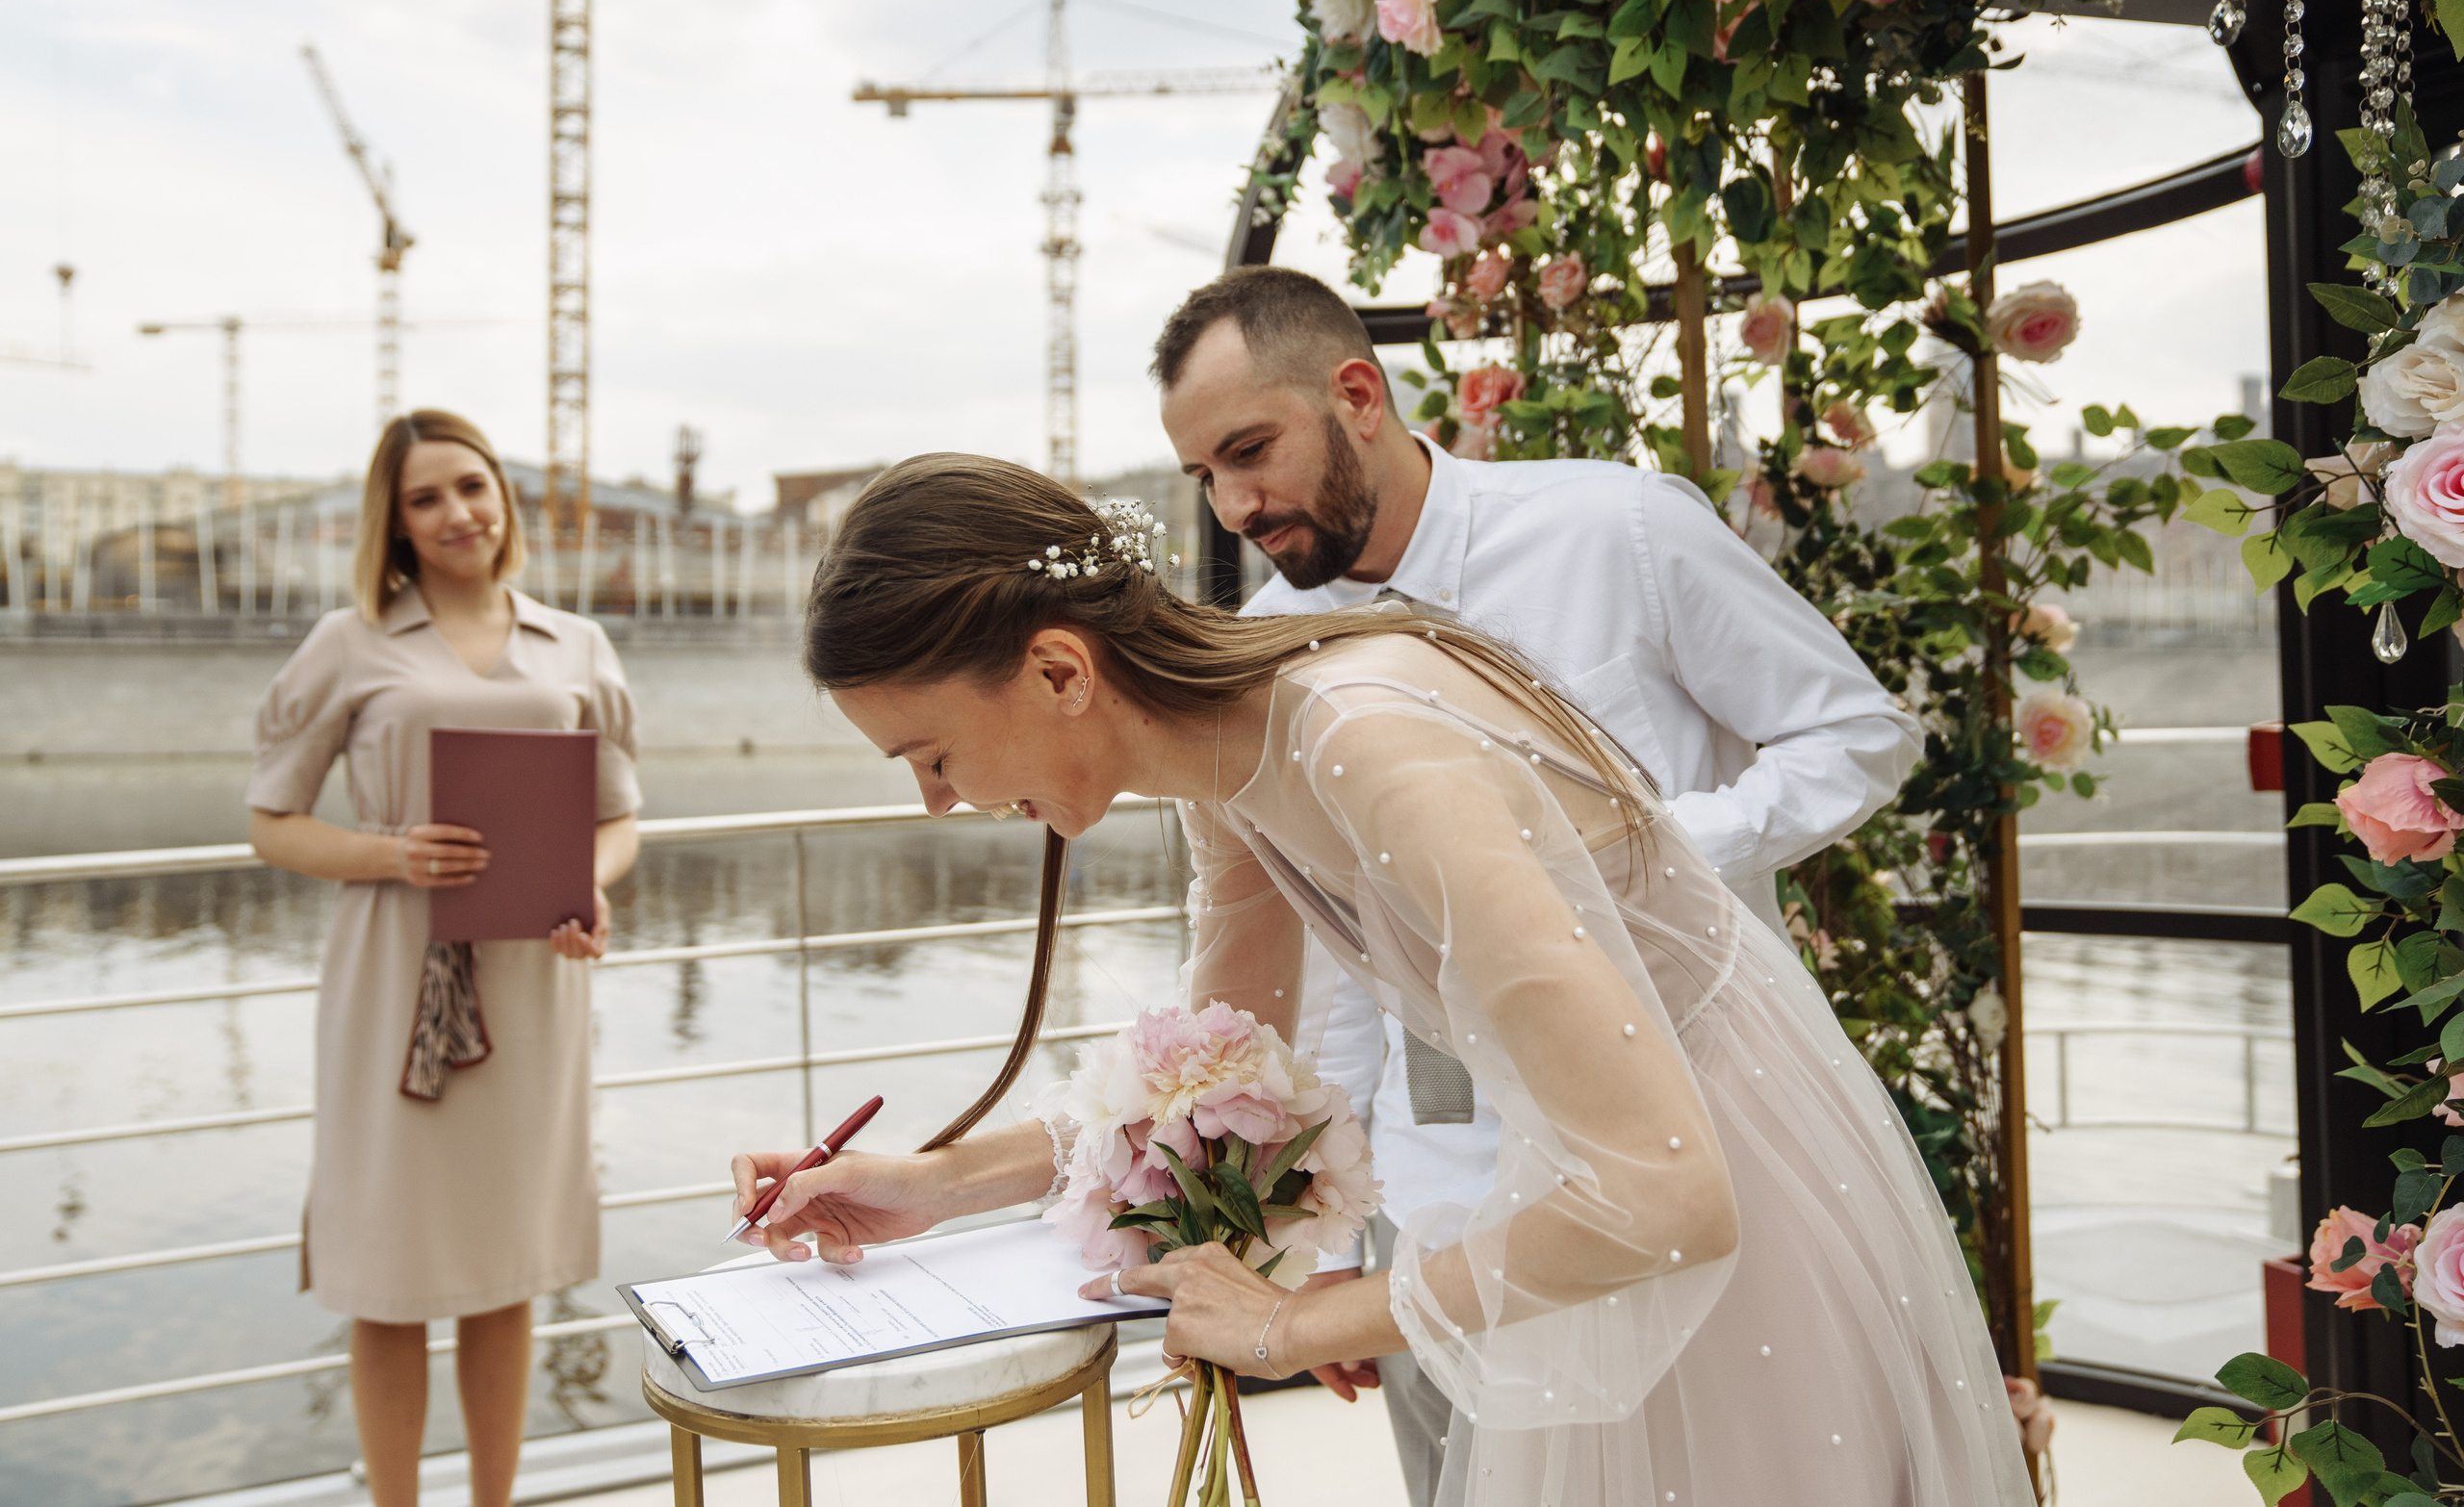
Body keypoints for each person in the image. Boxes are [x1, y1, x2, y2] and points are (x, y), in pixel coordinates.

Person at [728, 453, 2032, 1506]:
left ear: (1059, 670)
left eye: (934, 754)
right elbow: (1227, 1084)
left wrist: (1297, 1322)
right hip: (1596, 1167)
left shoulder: (1371, 746)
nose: (943, 801)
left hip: (1725, 1188)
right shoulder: (1234, 758)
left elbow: (1668, 1193)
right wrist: (933, 1186)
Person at [1152, 265, 1929, 1496]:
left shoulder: (1618, 529)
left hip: (1677, 1149)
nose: (1235, 504)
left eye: (1250, 451)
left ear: (1357, 393)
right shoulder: (1275, 645)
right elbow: (1334, 960)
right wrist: (1330, 1238)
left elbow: (1858, 732)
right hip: (1436, 1200)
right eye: (1205, 475)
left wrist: (1638, 863)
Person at [247, 410, 641, 1507]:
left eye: (471, 485)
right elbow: (272, 823)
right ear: (397, 521)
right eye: (426, 498)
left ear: (501, 493)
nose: (457, 512)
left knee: (499, 1270)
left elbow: (620, 820)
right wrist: (390, 853)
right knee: (387, 1278)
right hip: (390, 980)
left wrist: (589, 889)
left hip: (535, 980)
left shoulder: (577, 645)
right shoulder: (350, 641)